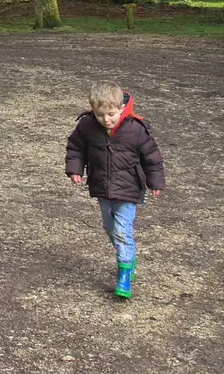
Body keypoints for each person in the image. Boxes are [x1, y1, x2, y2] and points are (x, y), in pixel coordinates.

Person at [64, 81, 166, 298]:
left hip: (129, 189)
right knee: (110, 227)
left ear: (121, 109)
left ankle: (124, 274)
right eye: (100, 115)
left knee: (121, 230)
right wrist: (75, 169)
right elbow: (76, 147)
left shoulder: (136, 129)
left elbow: (152, 157)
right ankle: (128, 255)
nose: (106, 120)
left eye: (111, 114)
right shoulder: (87, 126)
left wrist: (155, 181)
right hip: (102, 187)